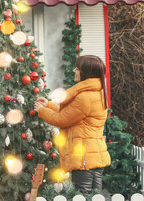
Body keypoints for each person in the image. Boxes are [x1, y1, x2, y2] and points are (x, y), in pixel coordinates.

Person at [34, 55, 111, 195]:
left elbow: (61, 120)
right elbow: (72, 116)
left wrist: (41, 111)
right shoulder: (97, 92)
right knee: (96, 196)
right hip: (94, 155)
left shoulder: (84, 97)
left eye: (77, 68)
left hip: (84, 158)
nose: (74, 70)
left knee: (83, 196)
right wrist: (49, 105)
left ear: (85, 73)